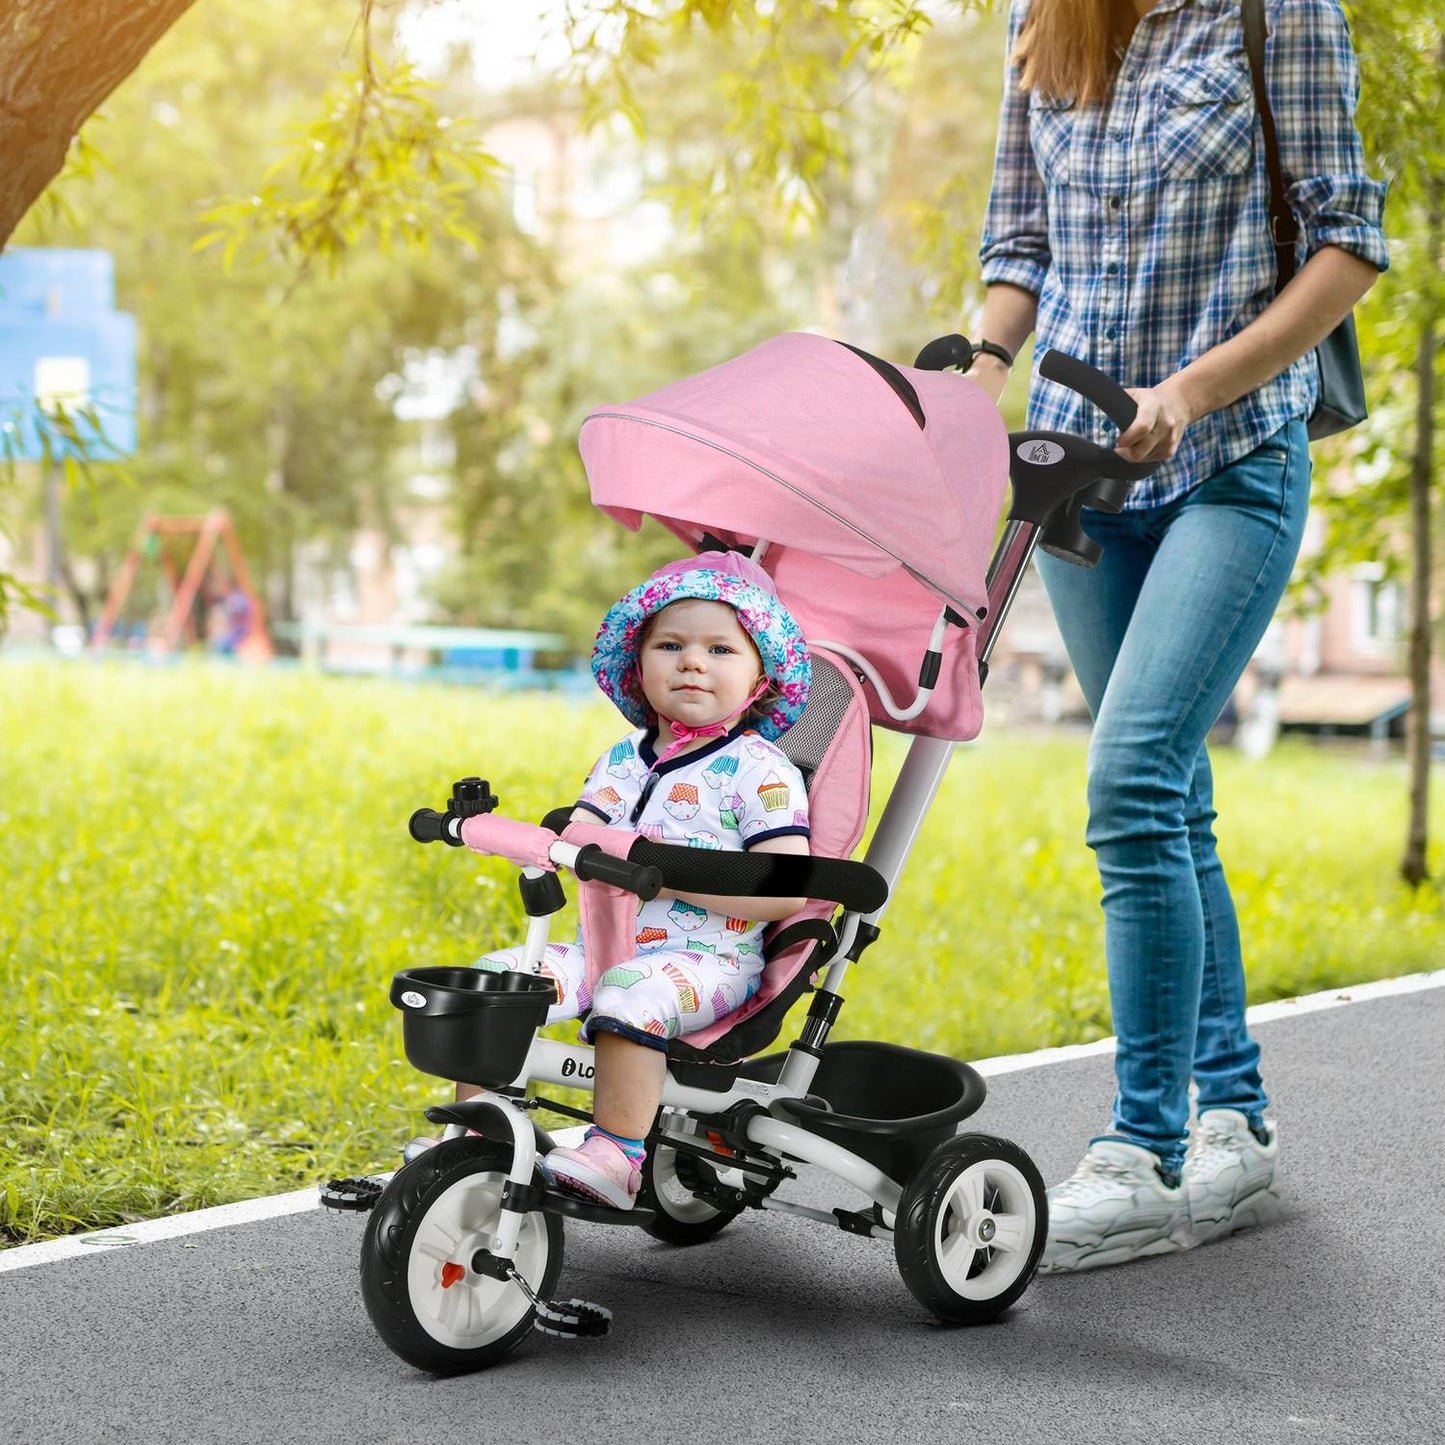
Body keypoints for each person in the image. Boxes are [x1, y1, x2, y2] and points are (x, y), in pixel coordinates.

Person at [970, 0, 1387, 1271]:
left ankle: (1137, 1149)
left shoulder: (1279, 14)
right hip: (1079, 472)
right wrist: (971, 364)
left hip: (1227, 455)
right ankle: (1233, 1123)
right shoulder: (1044, 19)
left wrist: (1193, 388)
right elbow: (1018, 238)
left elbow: (1347, 244)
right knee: (1172, 798)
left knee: (1132, 778)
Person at [470, 551, 813, 1210]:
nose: (692, 661)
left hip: (708, 960)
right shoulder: (621, 760)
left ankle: (619, 1153)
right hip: (606, 947)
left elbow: (787, 887)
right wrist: (511, 835)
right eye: (671, 644)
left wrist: (663, 875)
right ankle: (476, 1140)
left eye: (719, 648)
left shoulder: (760, 770)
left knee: (629, 990)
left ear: (760, 678)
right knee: (498, 978)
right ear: (639, 663)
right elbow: (578, 834)